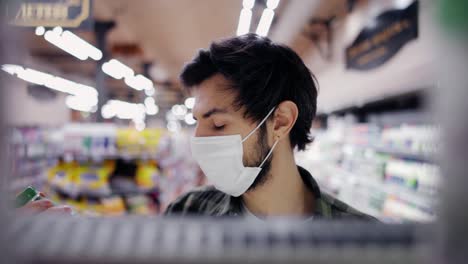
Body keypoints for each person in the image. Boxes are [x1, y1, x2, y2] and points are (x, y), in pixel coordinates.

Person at [164, 33, 372, 220]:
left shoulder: (369, 245)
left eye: (218, 125)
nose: (198, 139)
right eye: (196, 122)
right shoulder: (187, 212)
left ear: (281, 121)